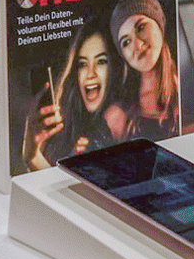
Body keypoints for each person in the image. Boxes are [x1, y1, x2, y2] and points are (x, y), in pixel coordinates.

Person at [20, 25, 128, 171]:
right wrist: (32, 157)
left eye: (101, 61)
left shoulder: (128, 124)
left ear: (116, 67)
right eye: (82, 64)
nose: (90, 74)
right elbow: (58, 188)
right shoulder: (75, 132)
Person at [110, 0, 180, 140]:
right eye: (126, 42)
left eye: (141, 27)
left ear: (160, 25)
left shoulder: (192, 84)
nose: (137, 44)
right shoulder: (117, 115)